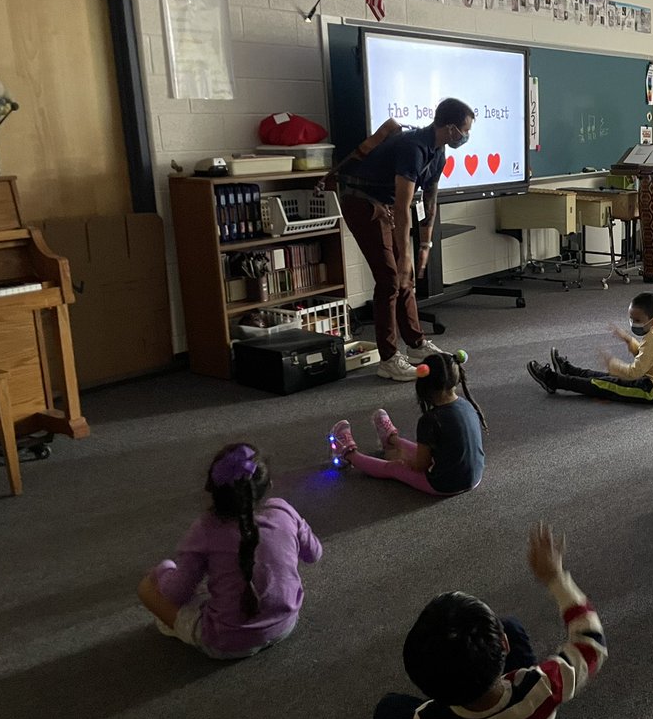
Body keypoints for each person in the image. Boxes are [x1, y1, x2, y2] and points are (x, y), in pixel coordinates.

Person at [372, 523, 606, 719]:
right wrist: (555, 578)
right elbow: (591, 643)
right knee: (511, 626)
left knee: (386, 712)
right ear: (504, 645)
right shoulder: (541, 686)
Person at [137, 443, 322, 659]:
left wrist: (162, 570)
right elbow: (314, 553)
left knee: (147, 589)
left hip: (225, 644)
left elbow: (175, 593)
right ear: (268, 485)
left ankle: (181, 628)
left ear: (212, 491)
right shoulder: (283, 510)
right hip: (285, 624)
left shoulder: (205, 529)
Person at [333, 98, 475, 381]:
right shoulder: (413, 147)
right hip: (361, 202)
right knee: (389, 277)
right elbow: (402, 206)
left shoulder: (438, 153)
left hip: (384, 204)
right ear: (449, 128)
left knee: (404, 275)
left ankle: (416, 345)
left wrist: (424, 246)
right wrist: (404, 254)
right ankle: (388, 359)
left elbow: (430, 201)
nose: (466, 137)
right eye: (465, 130)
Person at [330, 351, 485, 496]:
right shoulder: (466, 404)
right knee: (427, 448)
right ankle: (392, 440)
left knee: (395, 467)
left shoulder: (430, 420)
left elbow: (420, 465)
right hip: (474, 476)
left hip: (444, 484)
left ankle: (348, 454)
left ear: (423, 385)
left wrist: (405, 461)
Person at [525, 292, 653, 405]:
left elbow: (634, 372)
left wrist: (612, 363)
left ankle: (552, 380)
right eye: (631, 319)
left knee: (604, 384)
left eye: (638, 320)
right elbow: (646, 355)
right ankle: (568, 370)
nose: (633, 323)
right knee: (608, 377)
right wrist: (629, 340)